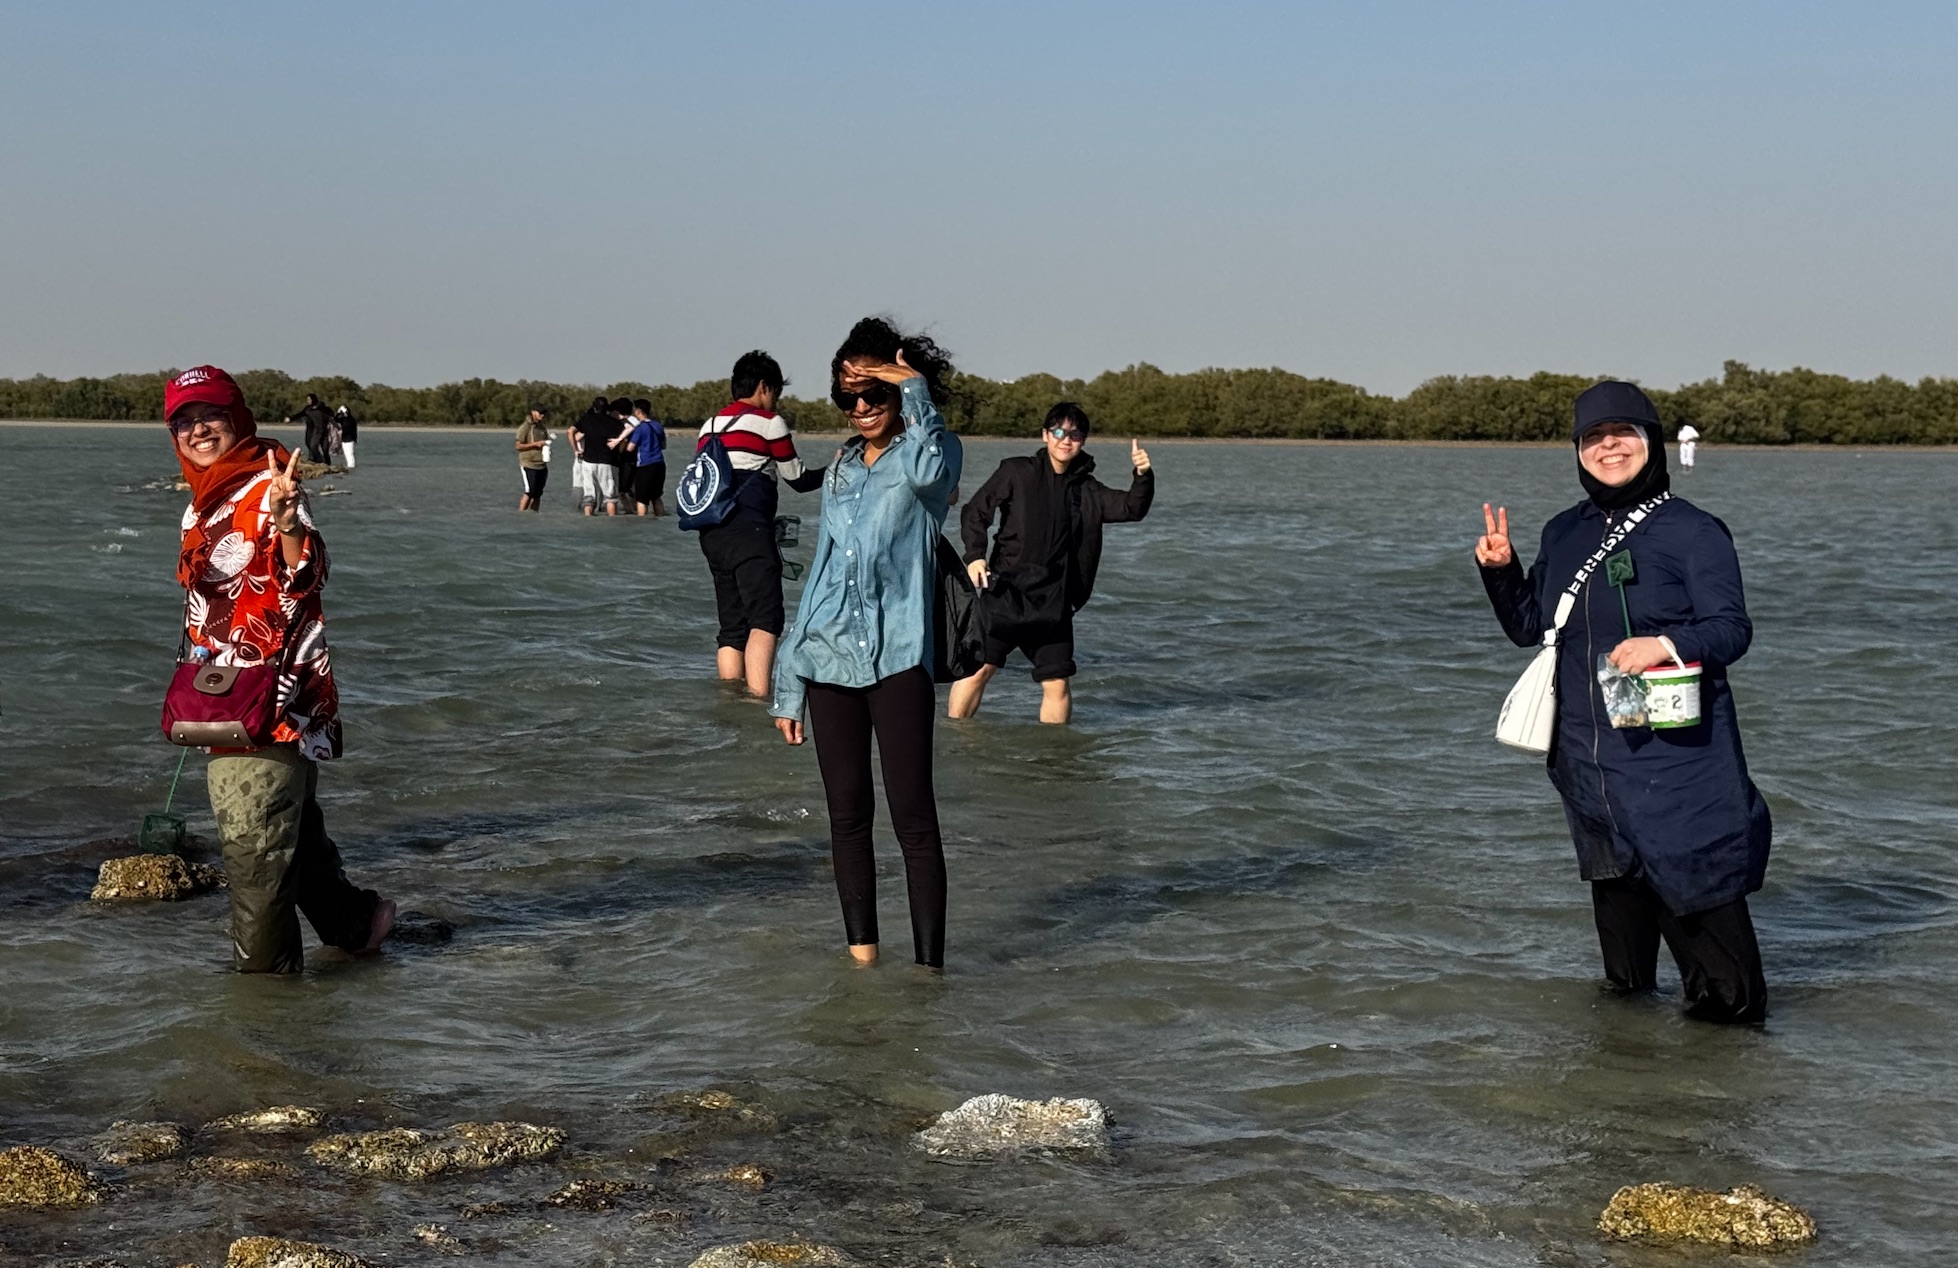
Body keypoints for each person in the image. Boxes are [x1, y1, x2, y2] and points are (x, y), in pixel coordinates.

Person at [1476, 380, 1770, 1024]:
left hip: (1677, 763)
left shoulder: (1693, 531)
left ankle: (1729, 1090)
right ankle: (1626, 1089)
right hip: (1589, 760)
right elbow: (1530, 628)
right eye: (1593, 438)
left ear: (1651, 443)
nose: (1608, 447)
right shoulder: (1563, 532)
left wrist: (1665, 642)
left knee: (1722, 977)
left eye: (1623, 434)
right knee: (1624, 991)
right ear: (1578, 451)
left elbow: (1732, 630)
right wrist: (1500, 570)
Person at [163, 366, 395, 973]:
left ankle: (268, 1025)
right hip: (224, 696)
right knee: (294, 839)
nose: (197, 429)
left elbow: (305, 576)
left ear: (237, 418)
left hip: (271, 701)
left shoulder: (269, 483)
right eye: (183, 420)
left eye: (210, 415)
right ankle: (360, 926)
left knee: (256, 871)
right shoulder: (200, 502)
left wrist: (289, 523)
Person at [771, 318, 962, 969]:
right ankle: (864, 966)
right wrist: (788, 680)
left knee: (913, 820)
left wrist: (909, 386)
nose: (860, 408)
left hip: (898, 659)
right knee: (847, 817)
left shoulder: (926, 459)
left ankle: (929, 976)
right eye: (849, 396)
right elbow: (821, 570)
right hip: (826, 659)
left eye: (872, 392)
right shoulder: (842, 471)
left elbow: (935, 459)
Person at [948, 403, 1154, 724]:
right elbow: (976, 511)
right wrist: (975, 556)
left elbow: (1132, 508)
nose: (1065, 440)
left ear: (1082, 440)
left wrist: (1142, 475)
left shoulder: (1088, 490)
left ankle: (1053, 761)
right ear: (1045, 435)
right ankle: (957, 740)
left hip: (1053, 605)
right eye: (1058, 431)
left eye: (1074, 434)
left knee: (1057, 684)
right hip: (1004, 594)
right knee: (979, 670)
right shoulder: (1017, 472)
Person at [696, 350, 824, 695]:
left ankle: (730, 699)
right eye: (776, 391)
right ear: (764, 387)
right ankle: (756, 700)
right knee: (765, 619)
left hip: (711, 533)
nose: (776, 400)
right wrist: (837, 468)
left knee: (732, 625)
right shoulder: (770, 423)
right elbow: (796, 478)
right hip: (750, 530)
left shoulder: (709, 425)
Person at [576, 397, 623, 516]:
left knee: (589, 496)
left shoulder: (587, 419)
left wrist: (576, 450)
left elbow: (571, 432)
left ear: (594, 406)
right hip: (606, 461)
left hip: (588, 461)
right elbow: (623, 438)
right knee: (610, 496)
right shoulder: (613, 422)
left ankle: (588, 518)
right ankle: (612, 520)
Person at [623, 398, 667, 516]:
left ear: (638, 411)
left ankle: (642, 522)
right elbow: (663, 445)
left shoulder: (640, 428)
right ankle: (660, 517)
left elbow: (630, 448)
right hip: (660, 465)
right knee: (656, 497)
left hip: (645, 465)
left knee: (642, 499)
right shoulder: (658, 425)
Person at [566, 395, 606, 513]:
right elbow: (575, 435)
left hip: (590, 459)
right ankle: (582, 508)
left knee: (594, 487)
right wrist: (576, 450)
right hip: (582, 460)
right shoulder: (585, 425)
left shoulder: (587, 424)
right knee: (581, 486)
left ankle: (594, 508)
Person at [515, 405, 550, 511]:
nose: (542, 415)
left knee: (538, 494)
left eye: (544, 413)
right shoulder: (525, 427)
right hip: (528, 463)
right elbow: (518, 446)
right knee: (530, 491)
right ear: (533, 412)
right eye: (540, 413)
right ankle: (522, 514)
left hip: (542, 464)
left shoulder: (542, 427)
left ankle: (535, 515)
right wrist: (536, 444)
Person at [289, 393, 333, 465]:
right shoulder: (308, 408)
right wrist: (291, 419)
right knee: (309, 444)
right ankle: (314, 459)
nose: (308, 401)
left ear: (313, 399)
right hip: (310, 429)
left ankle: (326, 462)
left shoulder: (321, 408)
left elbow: (330, 413)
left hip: (320, 429)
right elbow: (300, 414)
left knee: (324, 447)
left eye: (309, 399)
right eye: (307, 399)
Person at [332, 405, 360, 470]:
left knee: (350, 453)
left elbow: (350, 421)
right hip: (344, 439)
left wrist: (345, 411)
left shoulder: (351, 419)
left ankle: (351, 466)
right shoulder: (343, 419)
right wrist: (338, 412)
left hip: (350, 439)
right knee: (346, 453)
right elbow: (335, 419)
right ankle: (349, 465)